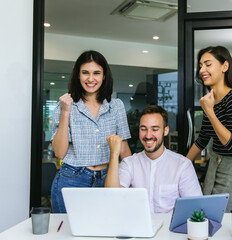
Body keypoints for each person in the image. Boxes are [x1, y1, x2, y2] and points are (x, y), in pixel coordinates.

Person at [51, 50, 132, 213]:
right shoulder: (64, 106)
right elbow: (60, 153)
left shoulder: (116, 106)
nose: (90, 79)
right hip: (72, 178)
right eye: (85, 73)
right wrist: (66, 112)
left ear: (104, 76)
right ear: (78, 75)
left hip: (108, 178)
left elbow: (124, 149)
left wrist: (135, 178)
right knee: (69, 234)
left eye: (96, 73)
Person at [186, 46, 232, 212]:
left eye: (208, 64)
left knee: (227, 228)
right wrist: (181, 166)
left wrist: (209, 111)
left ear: (225, 66)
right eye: (200, 65)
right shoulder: (212, 100)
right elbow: (202, 141)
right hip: (214, 170)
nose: (202, 70)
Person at [105, 105, 202, 213]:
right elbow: (112, 199)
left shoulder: (182, 165)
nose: (148, 135)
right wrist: (114, 154)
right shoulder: (129, 163)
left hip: (170, 228)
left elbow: (195, 209)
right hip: (138, 227)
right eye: (143, 129)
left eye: (155, 129)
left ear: (165, 131)